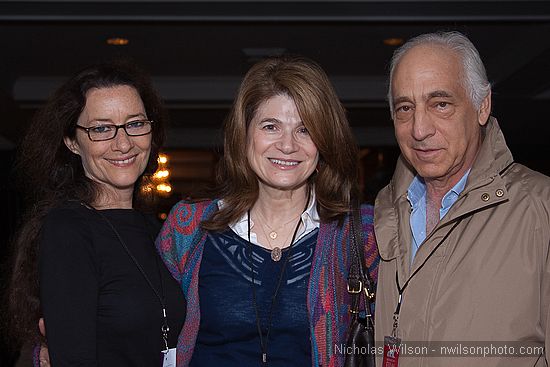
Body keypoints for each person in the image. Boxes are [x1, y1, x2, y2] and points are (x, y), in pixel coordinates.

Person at [156, 56, 379, 367]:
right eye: (270, 126)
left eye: (305, 130)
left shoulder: (362, 234)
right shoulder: (187, 227)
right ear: (245, 134)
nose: (287, 145)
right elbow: (148, 333)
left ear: (324, 141)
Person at [374, 31, 550, 366]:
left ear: (482, 106)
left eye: (440, 104)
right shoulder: (385, 211)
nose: (419, 128)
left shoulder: (541, 210)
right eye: (405, 108)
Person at [5, 62, 186, 366]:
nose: (123, 143)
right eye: (101, 128)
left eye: (135, 123)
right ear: (72, 142)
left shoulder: (158, 230)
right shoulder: (69, 230)